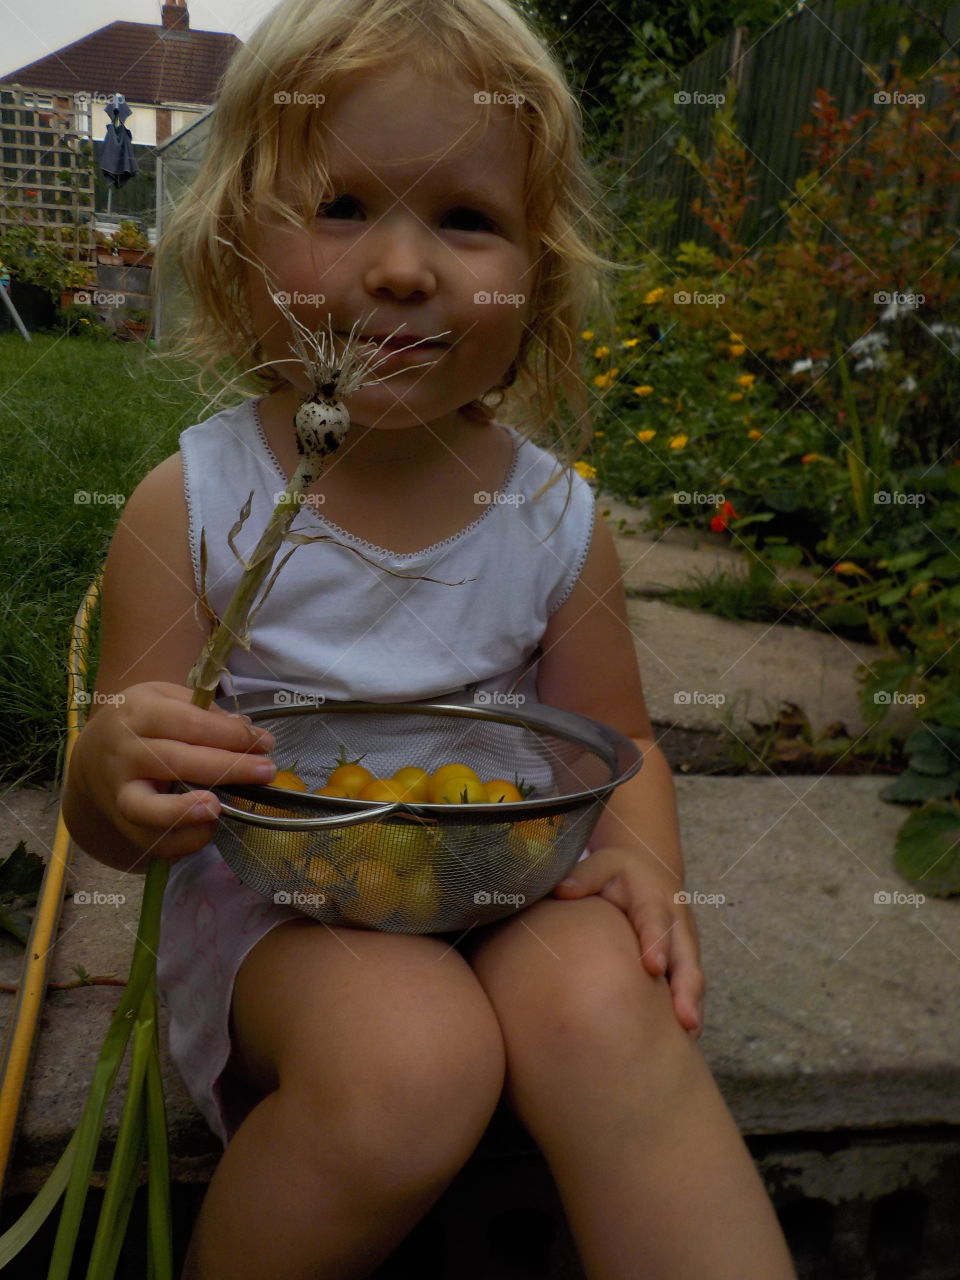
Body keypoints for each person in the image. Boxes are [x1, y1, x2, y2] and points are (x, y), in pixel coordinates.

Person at [62, 1, 797, 1277]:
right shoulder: (191, 503)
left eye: (465, 218)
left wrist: (639, 864)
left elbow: (616, 739)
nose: (403, 268)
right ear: (238, 249)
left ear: (539, 276)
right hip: (285, 913)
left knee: (609, 1012)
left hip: (503, 872)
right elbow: (127, 817)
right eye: (342, 205)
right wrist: (111, 775)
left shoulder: (554, 515)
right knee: (415, 1054)